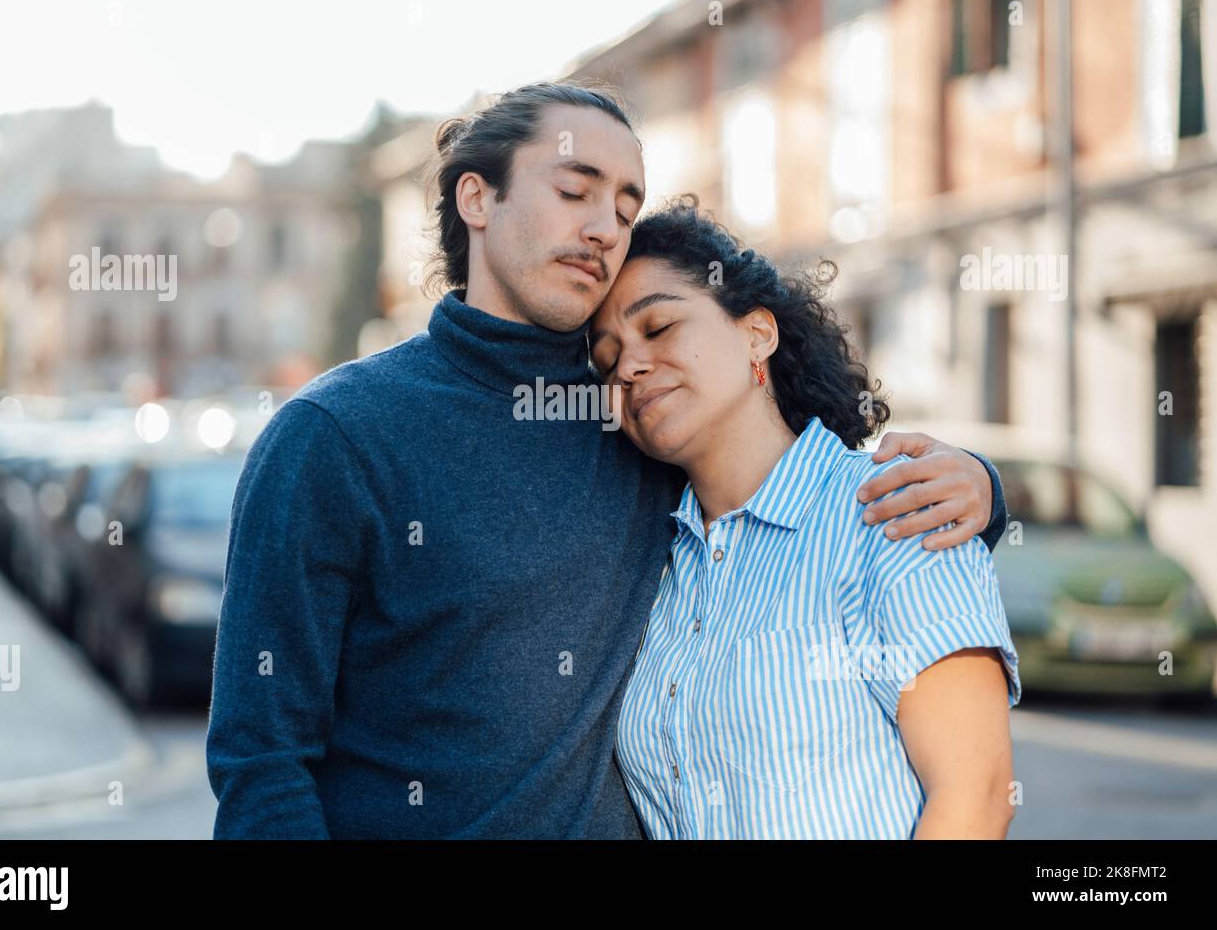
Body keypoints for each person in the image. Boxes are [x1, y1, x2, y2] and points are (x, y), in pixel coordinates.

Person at [205, 81, 1009, 839]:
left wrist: (981, 486)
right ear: (478, 198)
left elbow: (782, 473)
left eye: (626, 208)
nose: (604, 227)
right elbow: (263, 765)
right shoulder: (333, 436)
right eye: (574, 189)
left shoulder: (639, 426)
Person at [590, 197, 1022, 839]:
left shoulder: (892, 512)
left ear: (756, 333)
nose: (629, 366)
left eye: (657, 328)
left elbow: (976, 798)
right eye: (606, 361)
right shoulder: (655, 561)